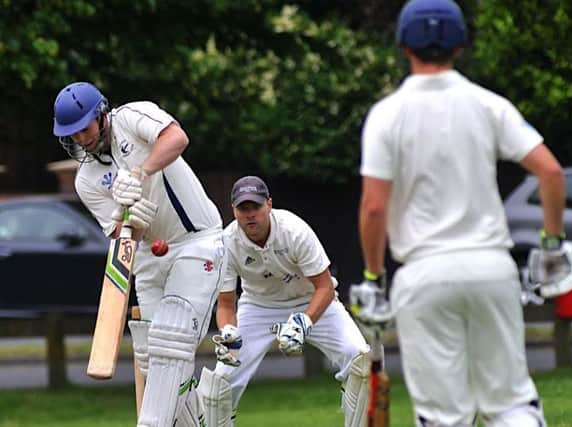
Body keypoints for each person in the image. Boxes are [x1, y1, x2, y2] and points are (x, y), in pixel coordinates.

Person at [350, 1, 572, 426]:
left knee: (443, 416)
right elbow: (550, 172)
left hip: (424, 276)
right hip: (491, 268)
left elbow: (374, 206)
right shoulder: (489, 104)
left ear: (404, 46)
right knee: (511, 403)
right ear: (459, 46)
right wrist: (551, 244)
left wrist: (372, 276)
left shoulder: (386, 116)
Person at [52, 82, 224, 427]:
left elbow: (177, 138)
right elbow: (122, 237)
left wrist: (141, 171)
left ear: (101, 115)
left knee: (171, 342)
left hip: (196, 240)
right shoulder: (86, 179)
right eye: (72, 135)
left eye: (84, 129)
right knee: (150, 356)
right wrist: (131, 219)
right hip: (147, 257)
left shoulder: (132, 116)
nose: (81, 139)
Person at [198, 175, 371, 427]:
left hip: (311, 302)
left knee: (359, 360)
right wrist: (228, 332)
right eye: (242, 208)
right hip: (258, 307)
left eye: (255, 207)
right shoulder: (227, 243)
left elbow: (324, 287)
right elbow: (226, 304)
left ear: (268, 204)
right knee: (219, 385)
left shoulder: (294, 231)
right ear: (233, 210)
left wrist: (304, 322)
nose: (250, 215)